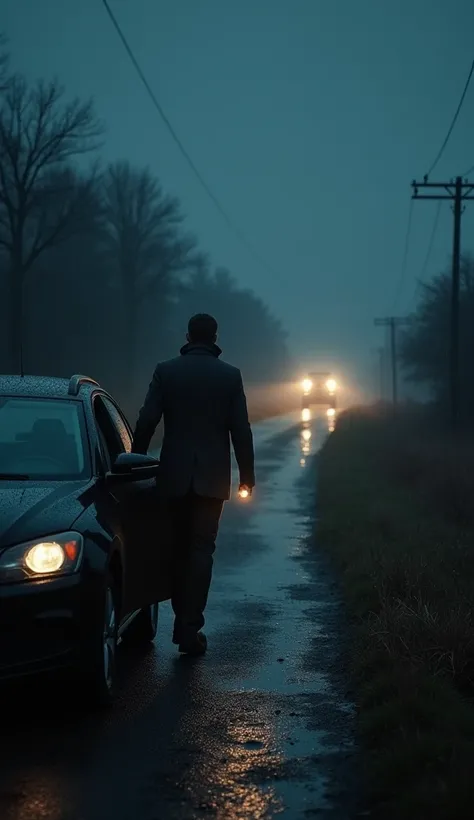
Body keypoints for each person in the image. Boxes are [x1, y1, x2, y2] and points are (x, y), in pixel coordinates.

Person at [132, 313, 255, 656]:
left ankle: (175, 617)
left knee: (173, 549)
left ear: (187, 335)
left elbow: (146, 420)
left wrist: (135, 459)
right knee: (201, 551)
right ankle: (189, 627)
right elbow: (241, 430)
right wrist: (247, 477)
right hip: (211, 480)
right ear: (215, 337)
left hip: (172, 477)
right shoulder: (230, 376)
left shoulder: (166, 370)